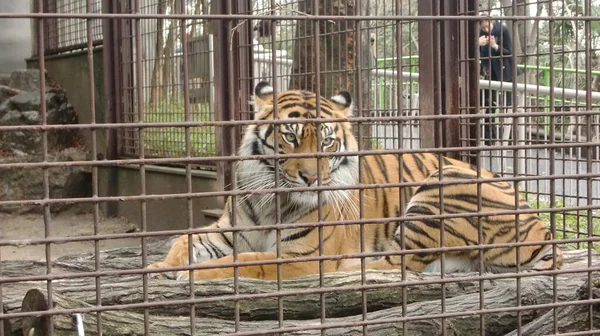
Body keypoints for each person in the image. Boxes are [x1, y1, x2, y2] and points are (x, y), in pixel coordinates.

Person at [478, 12, 514, 143]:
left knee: (507, 106)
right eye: (483, 28)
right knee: (489, 104)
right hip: (489, 73)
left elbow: (509, 52)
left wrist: (495, 46)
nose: (487, 30)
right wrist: (478, 43)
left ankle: (509, 138)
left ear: (492, 22)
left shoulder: (503, 30)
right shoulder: (480, 34)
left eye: (488, 26)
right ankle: (490, 137)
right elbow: (478, 53)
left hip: (505, 72)